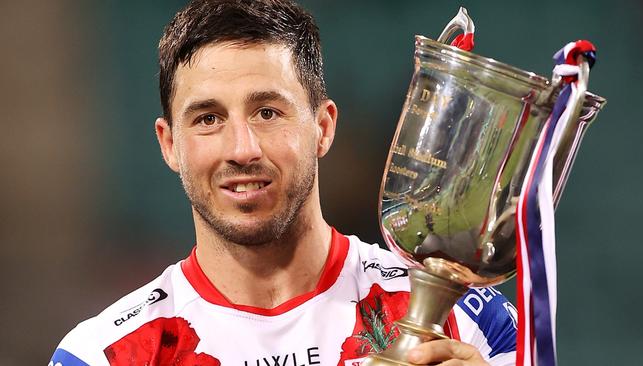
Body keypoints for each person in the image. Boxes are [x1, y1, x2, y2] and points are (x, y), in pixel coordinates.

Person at [50, 0, 516, 365]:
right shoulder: (103, 355)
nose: (242, 148)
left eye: (268, 112)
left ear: (323, 127)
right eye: (208, 118)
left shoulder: (469, 324)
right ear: (169, 144)